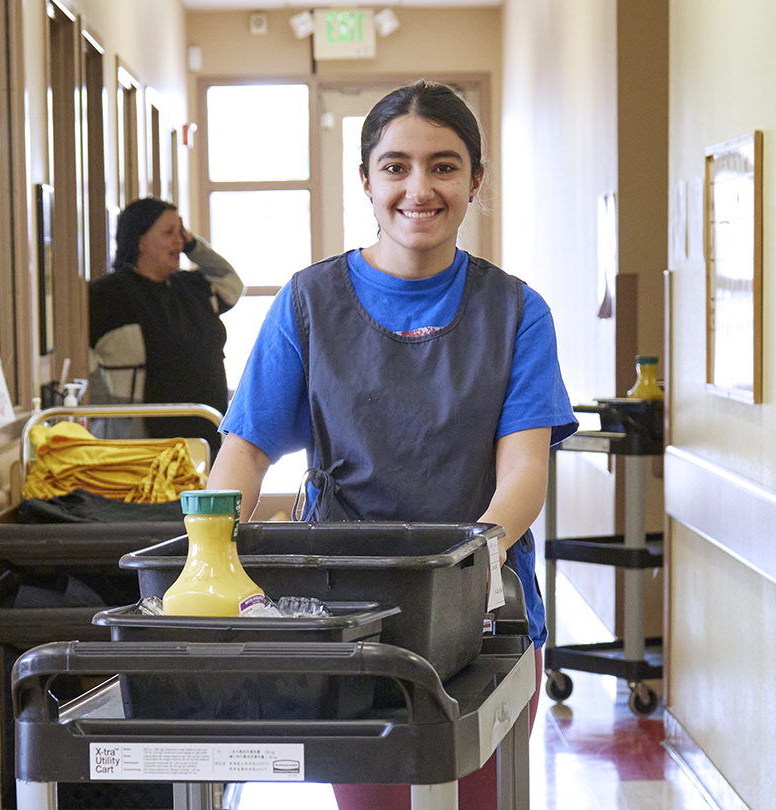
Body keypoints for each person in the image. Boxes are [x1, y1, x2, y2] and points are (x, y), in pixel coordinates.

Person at [207, 80, 577, 809]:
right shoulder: (310, 303)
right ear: (367, 180)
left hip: (485, 618)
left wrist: (474, 561)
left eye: (443, 166)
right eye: (396, 166)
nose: (419, 188)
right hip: (348, 617)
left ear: (475, 180)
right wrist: (209, 555)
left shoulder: (516, 312)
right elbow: (245, 451)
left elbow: (525, 467)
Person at [89, 198, 242, 460]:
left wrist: (194, 245)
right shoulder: (108, 294)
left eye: (181, 233)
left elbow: (232, 283)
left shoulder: (192, 286)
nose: (179, 242)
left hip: (206, 434)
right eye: (169, 233)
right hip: (143, 443)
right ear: (140, 241)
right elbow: (88, 365)